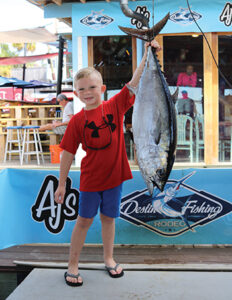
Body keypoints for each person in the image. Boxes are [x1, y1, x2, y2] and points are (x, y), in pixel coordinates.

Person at [54, 39, 161, 287]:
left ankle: (109, 258)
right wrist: (62, 184)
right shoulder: (77, 121)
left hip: (114, 178)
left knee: (109, 219)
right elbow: (67, 154)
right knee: (83, 221)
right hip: (91, 180)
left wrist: (147, 54)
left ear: (102, 88)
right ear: (76, 93)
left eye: (92, 87)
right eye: (81, 89)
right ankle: (72, 264)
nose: (87, 92)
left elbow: (134, 83)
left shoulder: (115, 107)